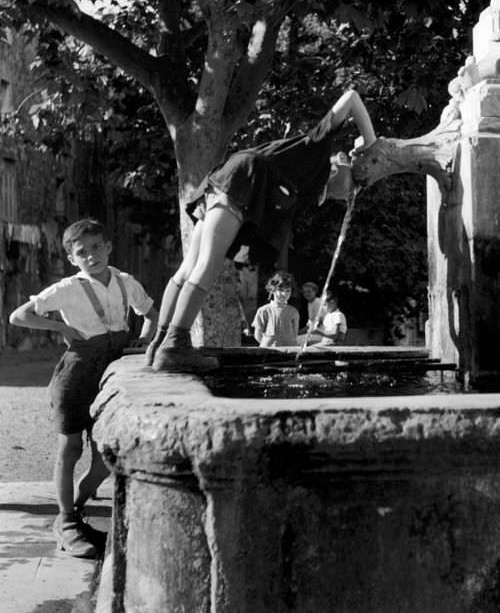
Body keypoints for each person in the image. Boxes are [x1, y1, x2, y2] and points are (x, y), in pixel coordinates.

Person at [146, 88, 376, 373]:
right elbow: (352, 97)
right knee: (207, 265)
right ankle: (175, 345)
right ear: (336, 168)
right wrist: (371, 142)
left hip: (226, 183)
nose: (355, 189)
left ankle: (159, 342)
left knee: (189, 267)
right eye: (355, 180)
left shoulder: (310, 191)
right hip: (241, 180)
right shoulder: (317, 147)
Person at [9, 218, 158, 559]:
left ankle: (73, 510)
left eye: (96, 248)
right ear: (73, 259)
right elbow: (19, 316)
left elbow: (152, 313)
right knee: (70, 449)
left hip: (113, 373)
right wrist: (60, 326)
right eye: (82, 253)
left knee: (106, 455)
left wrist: (142, 341)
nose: (91, 257)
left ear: (107, 247)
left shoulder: (125, 281)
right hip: (76, 376)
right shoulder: (67, 289)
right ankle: (67, 520)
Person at [252, 271, 300, 348]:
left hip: (289, 351)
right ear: (273, 290)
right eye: (281, 290)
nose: (284, 294)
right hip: (269, 352)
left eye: (288, 291)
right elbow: (258, 334)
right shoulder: (264, 310)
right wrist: (268, 345)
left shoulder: (293, 312)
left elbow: (294, 334)